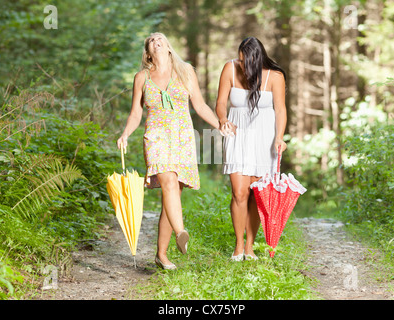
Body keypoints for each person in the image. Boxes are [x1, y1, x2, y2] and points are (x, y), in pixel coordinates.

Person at [117, 32, 224, 270]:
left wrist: (220, 125)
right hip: (155, 137)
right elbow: (136, 113)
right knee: (168, 181)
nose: (157, 40)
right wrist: (125, 133)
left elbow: (200, 105)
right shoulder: (142, 77)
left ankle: (162, 255)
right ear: (148, 53)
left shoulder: (185, 71)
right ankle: (181, 232)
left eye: (161, 38)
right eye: (152, 40)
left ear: (168, 47)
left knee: (172, 191)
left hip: (182, 138)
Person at [215, 37, 287, 261]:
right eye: (240, 60)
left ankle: (249, 246)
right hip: (237, 136)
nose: (242, 65)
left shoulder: (275, 77)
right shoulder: (230, 68)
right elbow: (220, 103)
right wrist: (223, 119)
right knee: (239, 192)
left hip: (264, 139)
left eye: (246, 62)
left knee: (257, 195)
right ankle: (238, 246)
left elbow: (280, 110)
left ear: (257, 60)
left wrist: (279, 137)